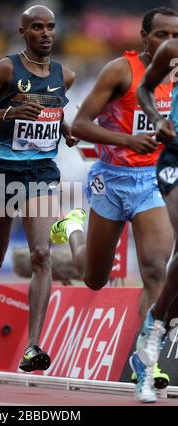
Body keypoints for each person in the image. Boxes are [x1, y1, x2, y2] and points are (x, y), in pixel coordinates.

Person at [50, 7, 178, 388]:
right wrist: (127, 139)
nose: (169, 43)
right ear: (143, 37)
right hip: (111, 179)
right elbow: (80, 125)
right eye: (160, 35)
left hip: (154, 181)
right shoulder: (120, 71)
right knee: (93, 278)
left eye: (175, 36)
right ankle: (71, 228)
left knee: (155, 268)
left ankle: (146, 359)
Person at [0, 5, 78, 373]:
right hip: (2, 173)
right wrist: (3, 114)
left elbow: (52, 112)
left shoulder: (65, 75)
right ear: (23, 31)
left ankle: (33, 346)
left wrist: (64, 130)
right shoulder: (7, 68)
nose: (45, 33)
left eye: (50, 27)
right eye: (37, 27)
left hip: (42, 173)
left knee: (42, 254)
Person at [129, 34, 178, 403]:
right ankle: (157, 328)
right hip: (175, 158)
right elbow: (145, 89)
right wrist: (158, 118)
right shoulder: (172, 50)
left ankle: (157, 322)